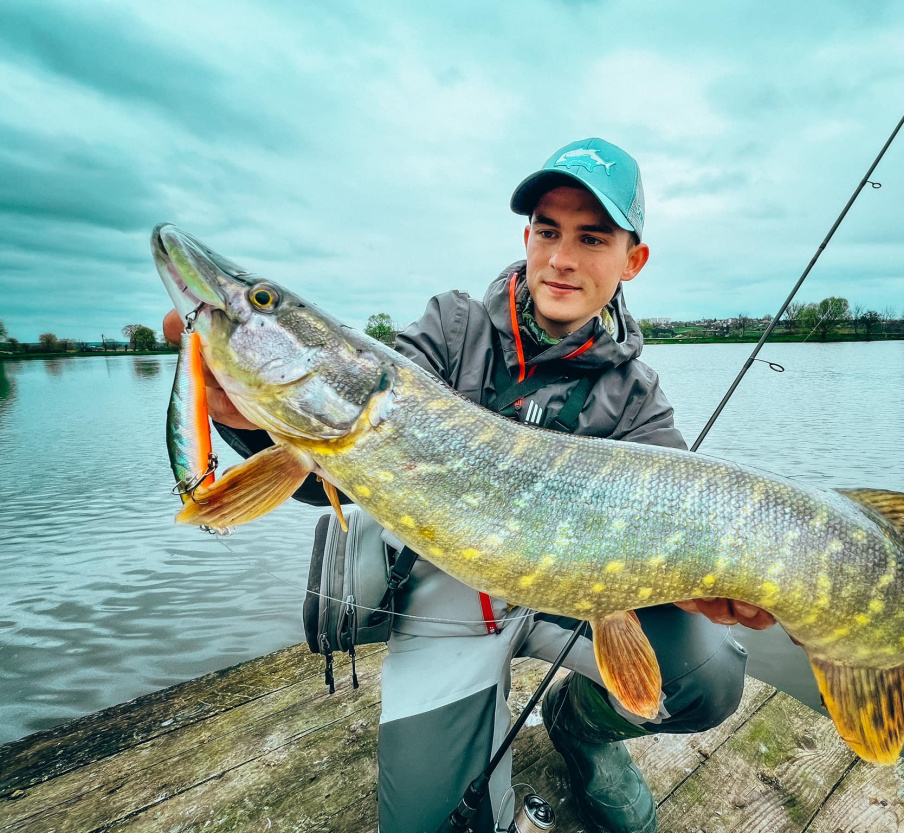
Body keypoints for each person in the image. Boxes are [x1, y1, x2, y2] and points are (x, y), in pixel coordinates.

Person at [164, 137, 774, 833]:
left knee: (712, 670)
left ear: (632, 258)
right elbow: (319, 480)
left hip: (573, 592)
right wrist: (250, 424)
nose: (562, 258)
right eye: (547, 231)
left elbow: (678, 527)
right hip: (446, 595)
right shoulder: (452, 327)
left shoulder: (637, 398)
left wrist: (700, 575)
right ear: (527, 236)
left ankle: (579, 727)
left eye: (592, 237)